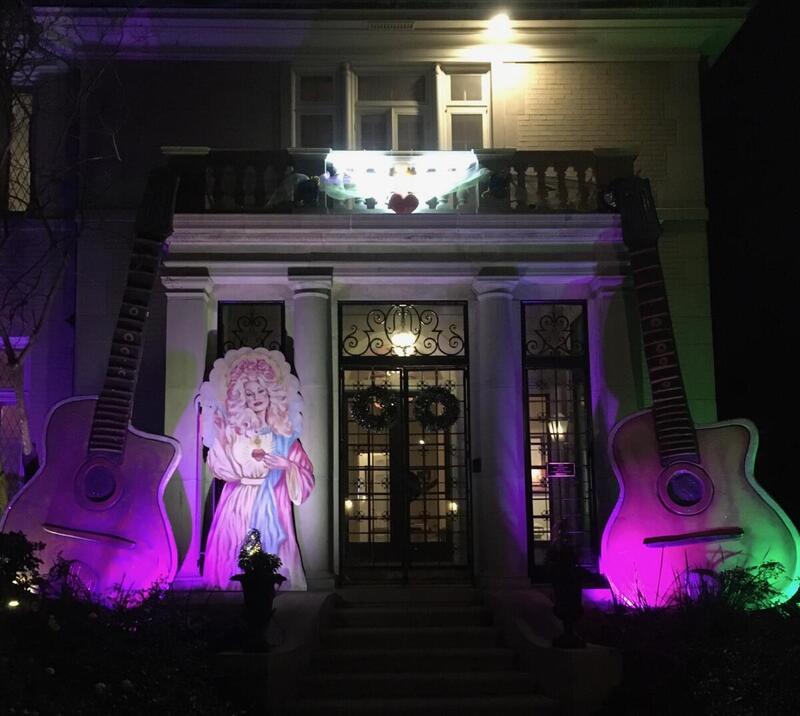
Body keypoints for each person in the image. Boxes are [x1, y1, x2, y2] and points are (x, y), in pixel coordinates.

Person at [201, 349, 314, 590]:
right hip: (236, 504)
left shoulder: (285, 437)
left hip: (273, 500)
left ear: (272, 393)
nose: (256, 398)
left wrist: (287, 465)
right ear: (242, 397)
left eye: (261, 390)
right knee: (235, 549)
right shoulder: (233, 432)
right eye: (249, 393)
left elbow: (305, 475)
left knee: (271, 549)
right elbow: (218, 466)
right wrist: (218, 430)